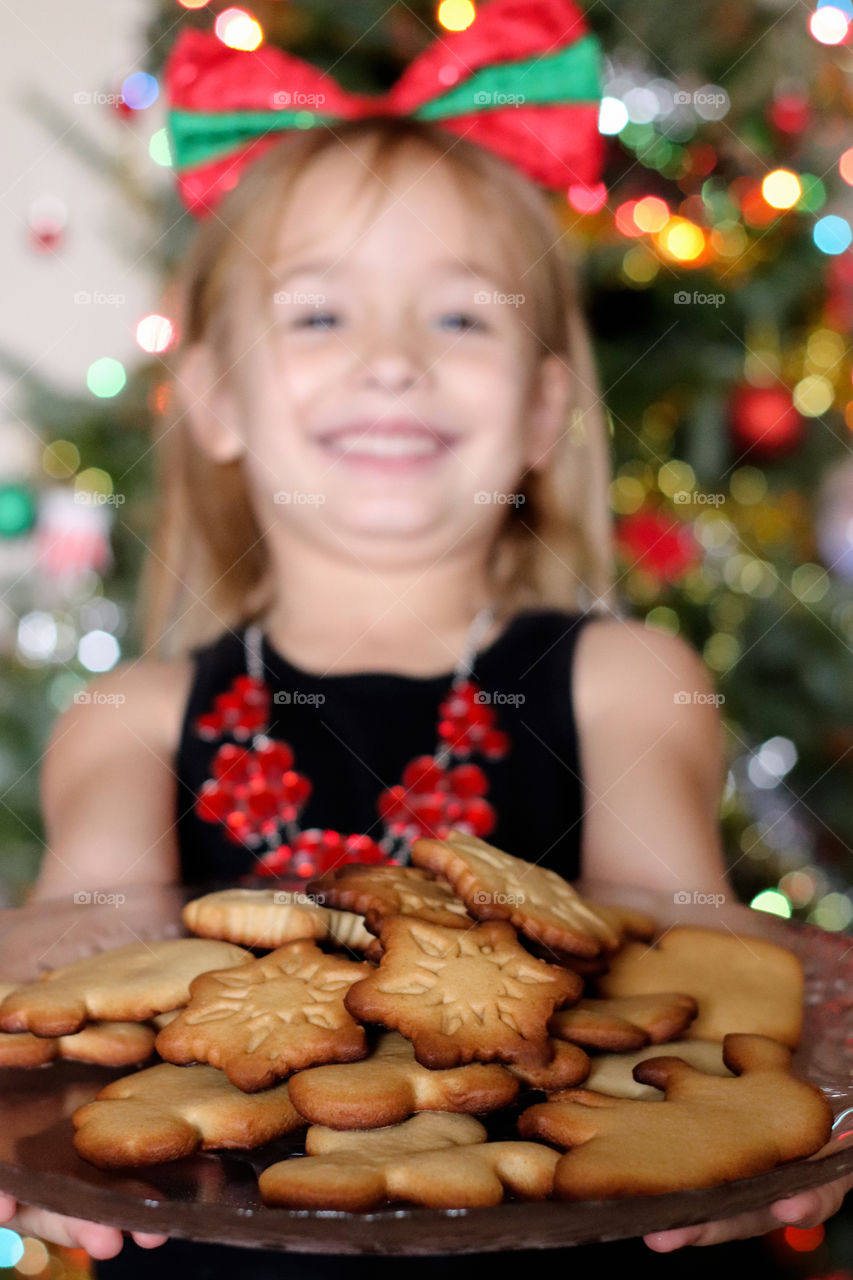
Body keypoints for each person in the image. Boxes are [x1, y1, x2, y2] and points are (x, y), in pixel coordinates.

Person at [1, 17, 851, 1278]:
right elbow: (70, 957)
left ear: (543, 408)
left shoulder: (624, 681)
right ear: (220, 397)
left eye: (459, 319)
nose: (391, 362)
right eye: (321, 314)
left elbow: (697, 948)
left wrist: (755, 1132)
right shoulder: (131, 715)